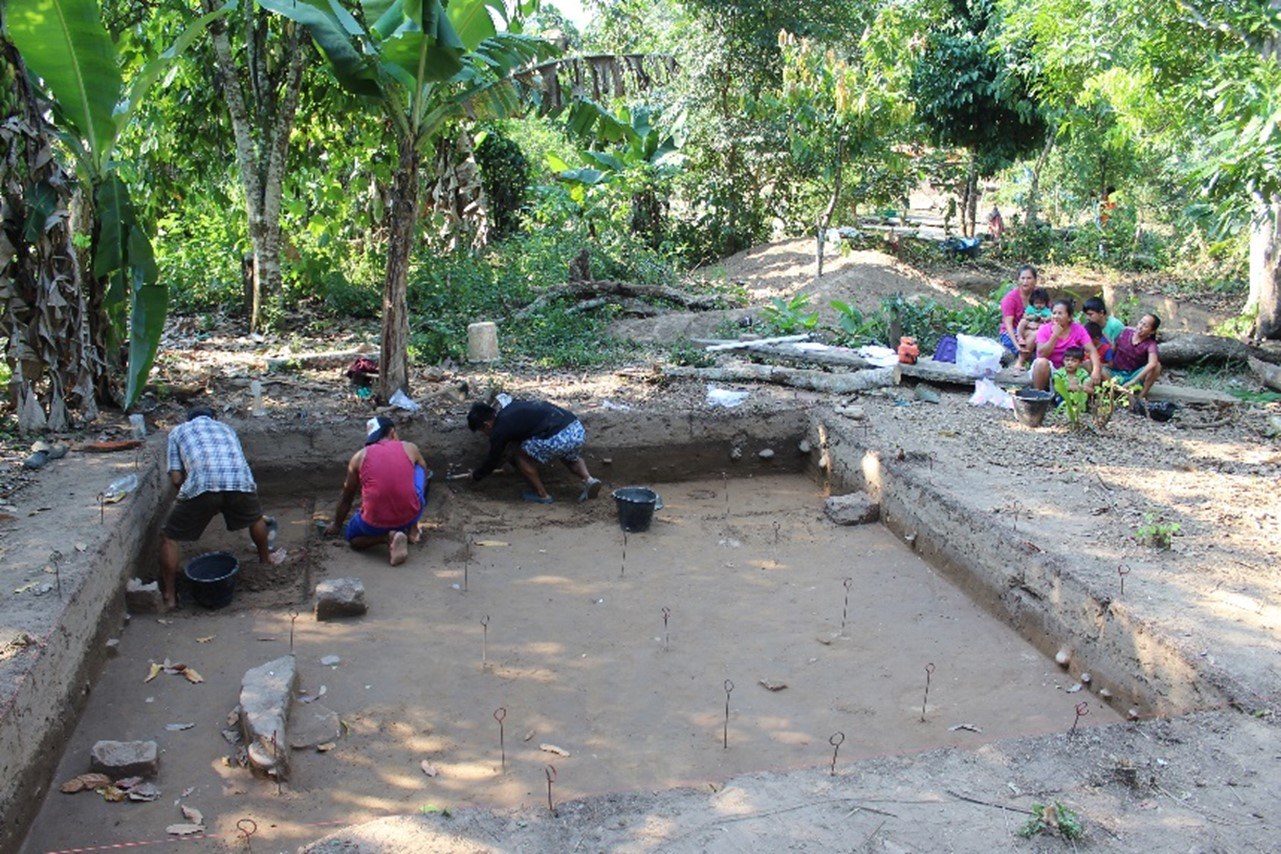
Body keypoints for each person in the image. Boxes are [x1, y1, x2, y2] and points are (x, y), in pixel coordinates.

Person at [159, 407, 285, 609]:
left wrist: (190, 500)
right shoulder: (227, 429)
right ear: (214, 418)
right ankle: (265, 559)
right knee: (256, 519)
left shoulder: (178, 431)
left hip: (203, 484)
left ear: (188, 419)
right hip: (241, 482)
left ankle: (170, 596)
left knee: (169, 537)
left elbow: (176, 478)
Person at [325, 416, 429, 566]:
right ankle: (413, 529)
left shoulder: (359, 457)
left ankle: (386, 538)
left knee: (353, 539)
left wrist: (336, 525)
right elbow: (424, 472)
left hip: (373, 524)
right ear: (393, 433)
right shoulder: (409, 447)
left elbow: (347, 497)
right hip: (411, 514)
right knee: (420, 468)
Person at [466, 398, 602, 504]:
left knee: (520, 455)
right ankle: (588, 479)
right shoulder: (511, 410)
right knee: (569, 455)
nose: (484, 434)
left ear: (487, 424)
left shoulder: (499, 430)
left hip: (557, 437)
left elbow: (492, 460)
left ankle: (543, 495)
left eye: (481, 431)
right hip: (575, 429)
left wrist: (477, 475)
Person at [1031, 297, 1102, 393]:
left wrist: (1096, 370)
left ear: (1069, 317)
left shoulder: (1078, 329)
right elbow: (1042, 354)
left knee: (1093, 365)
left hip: (1073, 368)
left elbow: (1091, 350)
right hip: (1050, 370)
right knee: (1041, 362)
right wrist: (1055, 335)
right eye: (1054, 313)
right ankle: (1038, 396)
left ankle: (1096, 397)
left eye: (1060, 313)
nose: (1056, 316)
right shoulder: (1044, 329)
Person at [1107, 313, 1162, 399]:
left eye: (1145, 326)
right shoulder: (1125, 332)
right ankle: (1118, 391)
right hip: (1115, 372)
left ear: (1152, 331)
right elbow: (1112, 348)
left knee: (1157, 366)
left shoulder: (1150, 344)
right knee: (1097, 369)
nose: (1140, 327)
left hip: (1133, 375)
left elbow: (1153, 363)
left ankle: (1141, 397)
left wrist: (1134, 380)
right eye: (1140, 322)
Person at [999, 264, 1040, 359]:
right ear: (1018, 280)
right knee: (1035, 335)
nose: (1025, 282)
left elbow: (1048, 313)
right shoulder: (1010, 299)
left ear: (1035, 280)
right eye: (1023, 278)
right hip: (1011, 332)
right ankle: (1022, 360)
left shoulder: (1039, 295)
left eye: (1029, 278)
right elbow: (1008, 325)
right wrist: (1017, 345)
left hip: (1032, 329)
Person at [1013, 287, 1052, 370]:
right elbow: (1025, 316)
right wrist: (1032, 317)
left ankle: (1021, 361)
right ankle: (1019, 337)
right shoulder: (1031, 308)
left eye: (1041, 303)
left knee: (1039, 331)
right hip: (1027, 326)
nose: (1039, 305)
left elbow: (1050, 318)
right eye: (1037, 303)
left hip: (1038, 328)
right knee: (1023, 322)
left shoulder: (1046, 310)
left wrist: (1043, 319)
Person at [1052, 346, 1092, 424]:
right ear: (1063, 361)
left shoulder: (1083, 373)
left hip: (1079, 397)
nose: (1069, 363)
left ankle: (1080, 410)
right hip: (1063, 398)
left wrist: (1079, 388)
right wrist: (1070, 387)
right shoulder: (1059, 373)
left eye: (1074, 361)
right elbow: (1057, 388)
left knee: (1084, 398)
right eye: (1067, 360)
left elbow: (1090, 390)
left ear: (1080, 363)